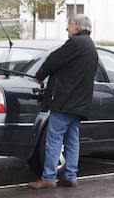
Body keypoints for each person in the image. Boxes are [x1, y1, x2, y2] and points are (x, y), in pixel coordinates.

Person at [28, 14, 98, 189]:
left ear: (76, 25)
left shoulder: (75, 43)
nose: (67, 28)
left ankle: (49, 177)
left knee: (54, 139)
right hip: (80, 104)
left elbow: (54, 60)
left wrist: (40, 75)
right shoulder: (90, 47)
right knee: (72, 139)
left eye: (68, 25)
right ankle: (70, 176)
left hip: (65, 101)